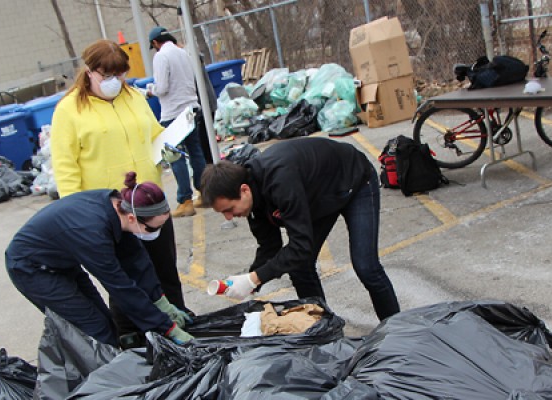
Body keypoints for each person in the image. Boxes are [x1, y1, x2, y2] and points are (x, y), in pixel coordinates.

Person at [49, 39, 191, 320]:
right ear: (89, 71)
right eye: (107, 75)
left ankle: (180, 322)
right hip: (111, 211)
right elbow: (66, 168)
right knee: (127, 280)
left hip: (150, 201)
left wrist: (168, 148)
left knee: (165, 271)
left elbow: (153, 135)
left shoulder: (134, 97)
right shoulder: (69, 110)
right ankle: (133, 338)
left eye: (120, 74)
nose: (115, 81)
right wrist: (76, 215)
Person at [200, 137, 400, 321]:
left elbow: (300, 246)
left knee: (366, 267)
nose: (229, 217)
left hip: (354, 181)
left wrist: (253, 279)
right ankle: (324, 331)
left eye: (229, 209)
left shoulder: (280, 180)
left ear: (244, 190)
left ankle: (397, 331)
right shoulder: (252, 202)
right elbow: (270, 246)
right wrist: (247, 281)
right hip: (320, 196)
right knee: (300, 268)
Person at [5, 172, 194, 347]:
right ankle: (109, 379)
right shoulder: (93, 234)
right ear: (131, 218)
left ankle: (115, 367)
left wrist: (163, 303)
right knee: (96, 330)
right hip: (32, 268)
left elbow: (138, 263)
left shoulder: (120, 208)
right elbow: (121, 287)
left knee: (107, 322)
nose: (157, 234)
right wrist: (165, 327)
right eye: (153, 229)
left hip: (63, 260)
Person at [148, 26, 207, 217]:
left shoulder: (160, 57)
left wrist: (150, 91)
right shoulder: (183, 53)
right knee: (196, 152)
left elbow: (163, 87)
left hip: (172, 112)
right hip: (191, 107)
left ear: (155, 43)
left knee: (175, 156)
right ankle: (203, 192)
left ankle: (185, 200)